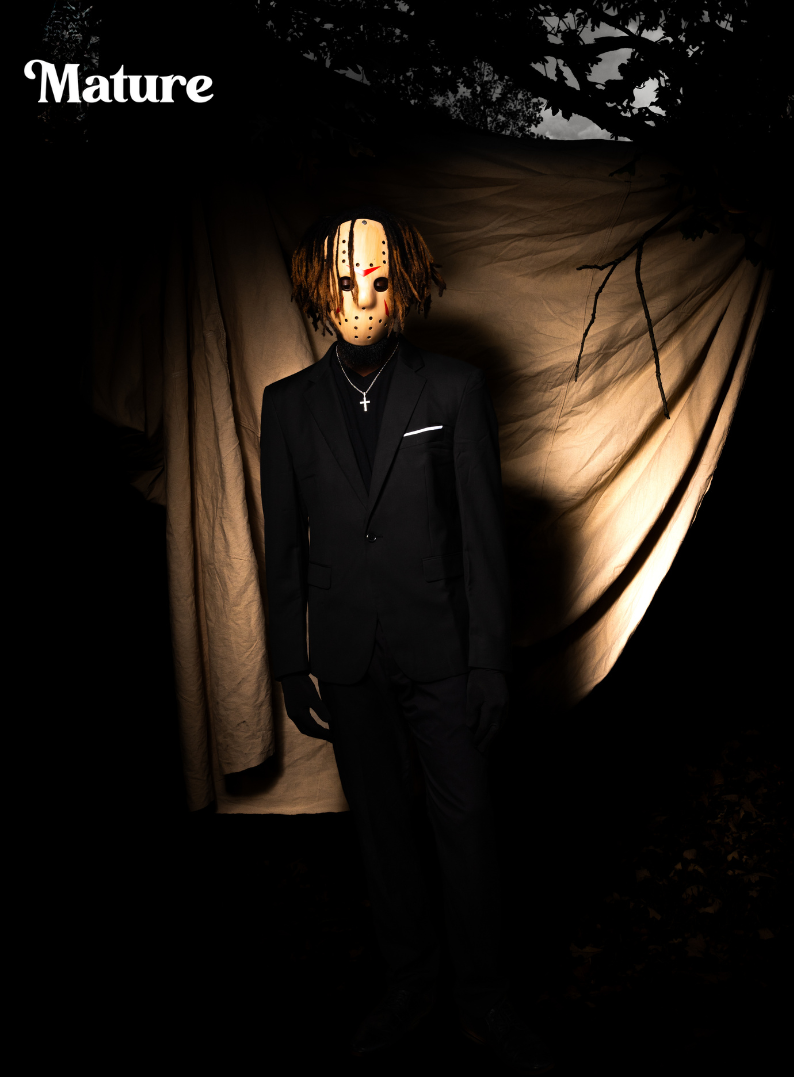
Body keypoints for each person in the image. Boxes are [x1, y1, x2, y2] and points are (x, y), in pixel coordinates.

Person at [260, 206, 552, 1073]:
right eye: (346, 282)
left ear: (405, 284)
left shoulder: (454, 389)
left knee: (467, 823)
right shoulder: (286, 406)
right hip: (347, 655)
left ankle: (483, 995)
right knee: (382, 830)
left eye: (379, 280)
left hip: (443, 654)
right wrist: (289, 659)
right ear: (319, 289)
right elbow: (283, 545)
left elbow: (483, 540)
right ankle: (410, 984)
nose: (362, 298)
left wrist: (489, 659)